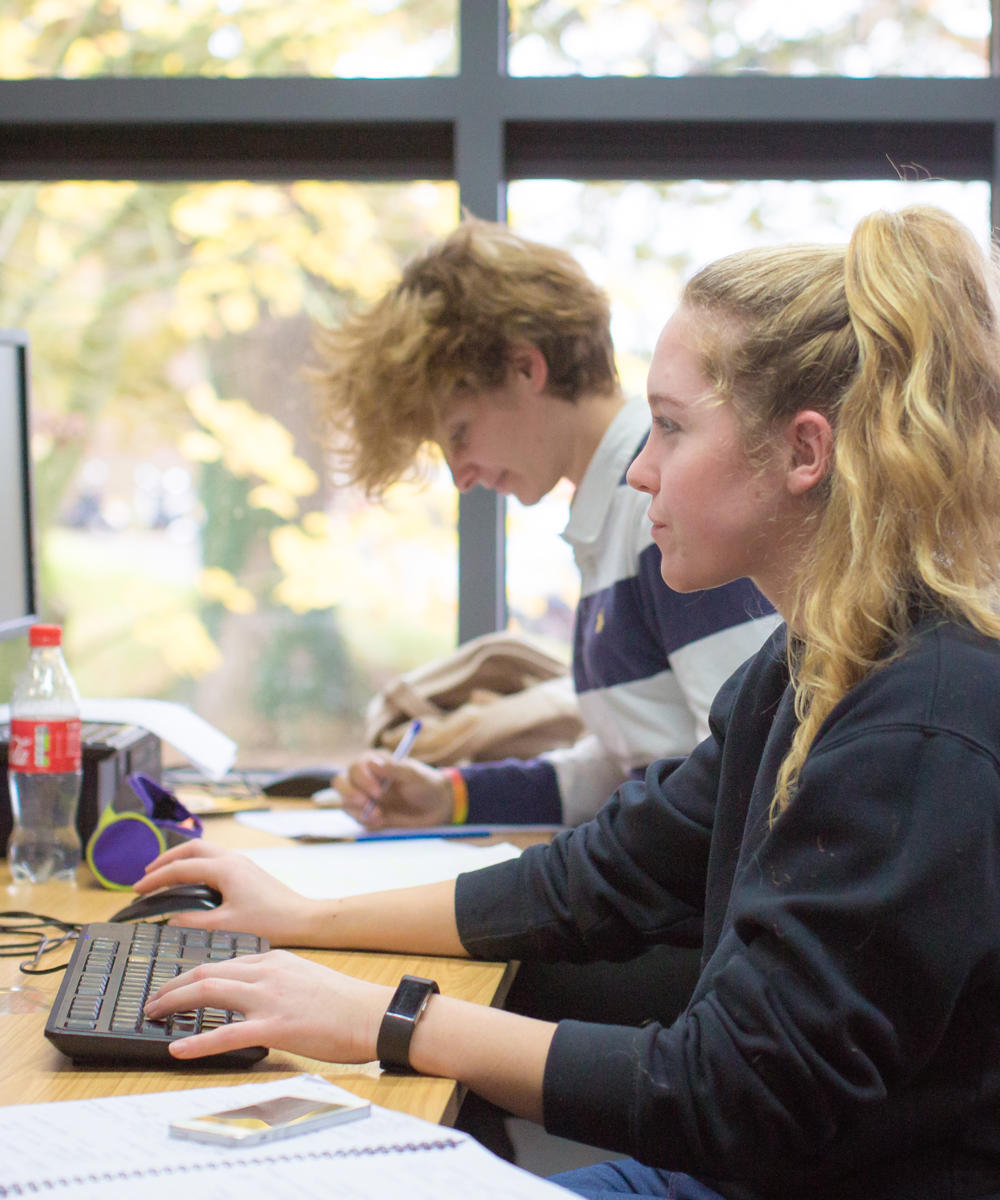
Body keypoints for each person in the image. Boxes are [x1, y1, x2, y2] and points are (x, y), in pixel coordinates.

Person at [137, 204, 1000, 1200]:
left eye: (671, 429)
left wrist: (389, 1018)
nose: (641, 468)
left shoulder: (920, 725)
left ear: (805, 454)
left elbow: (734, 1093)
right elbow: (608, 869)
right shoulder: (801, 666)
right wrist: (310, 919)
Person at [313, 217, 776, 833]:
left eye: (459, 434)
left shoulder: (661, 505)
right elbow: (630, 769)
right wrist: (452, 796)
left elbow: (740, 778)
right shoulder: (610, 517)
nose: (462, 476)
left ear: (526, 369)